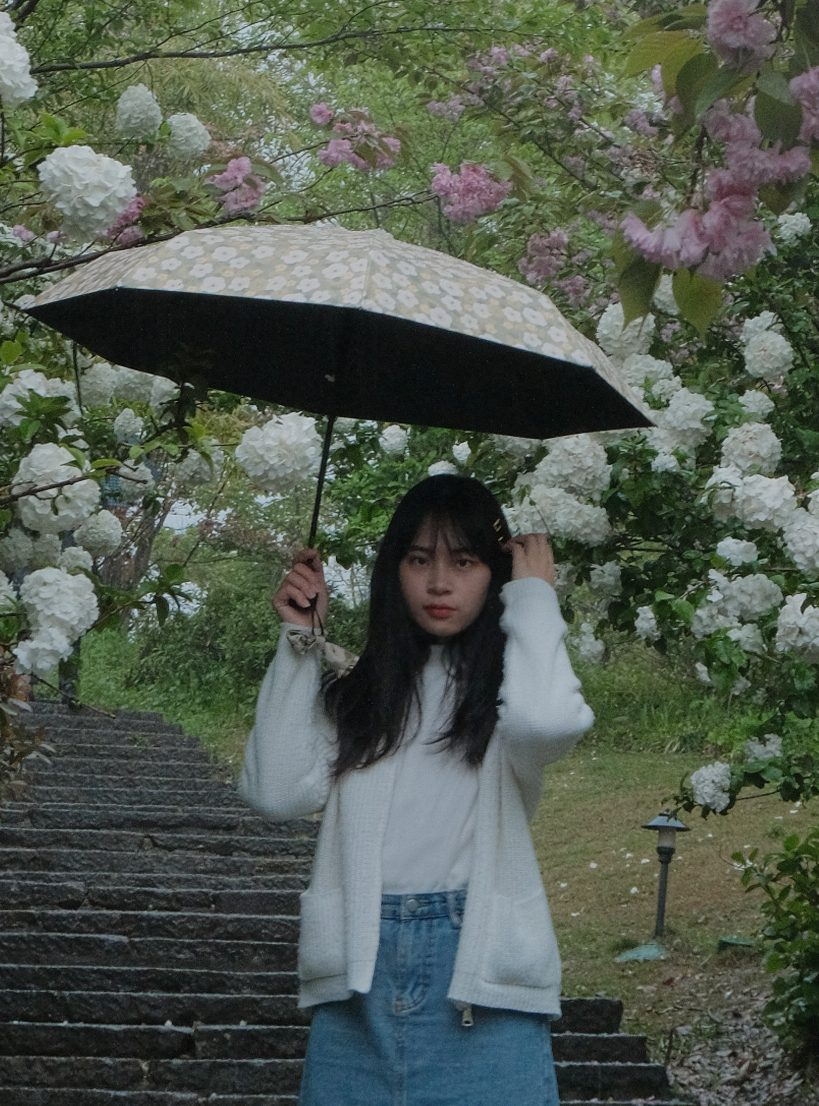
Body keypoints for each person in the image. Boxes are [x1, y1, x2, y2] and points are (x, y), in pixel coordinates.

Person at [240, 472, 592, 1106]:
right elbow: (275, 790)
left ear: (496, 573)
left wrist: (536, 599)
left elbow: (549, 722)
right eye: (418, 559)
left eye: (464, 561)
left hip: (481, 986)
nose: (438, 582)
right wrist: (299, 642)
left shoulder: (509, 698)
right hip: (357, 986)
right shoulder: (360, 695)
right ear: (392, 569)